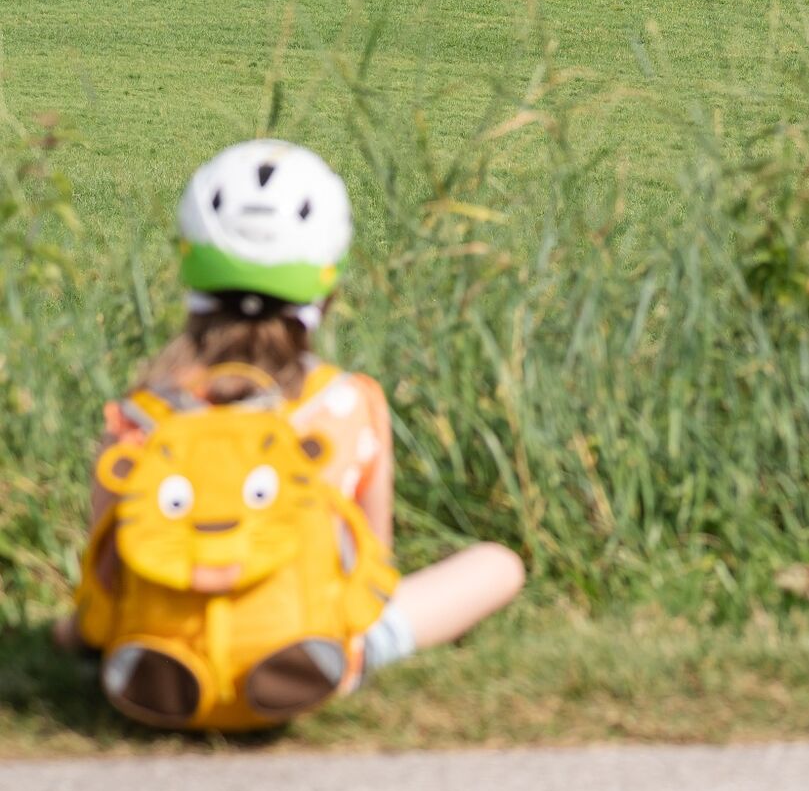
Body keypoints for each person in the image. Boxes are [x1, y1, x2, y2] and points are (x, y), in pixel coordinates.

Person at [62, 139, 523, 721]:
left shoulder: (139, 416)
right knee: (498, 564)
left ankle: (150, 655)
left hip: (153, 645)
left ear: (190, 265)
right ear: (327, 284)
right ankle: (329, 659)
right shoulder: (347, 405)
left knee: (88, 621)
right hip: (308, 642)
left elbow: (108, 565)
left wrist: (72, 632)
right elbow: (374, 573)